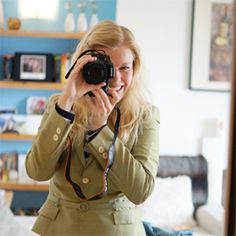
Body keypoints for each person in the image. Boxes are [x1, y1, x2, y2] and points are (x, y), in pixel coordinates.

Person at [25, 20, 160, 236]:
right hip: (59, 229)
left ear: (135, 68)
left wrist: (100, 131)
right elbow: (37, 171)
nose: (115, 79)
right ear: (84, 64)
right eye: (106, 68)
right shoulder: (59, 105)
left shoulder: (144, 116)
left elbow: (140, 191)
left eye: (125, 68)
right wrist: (66, 102)